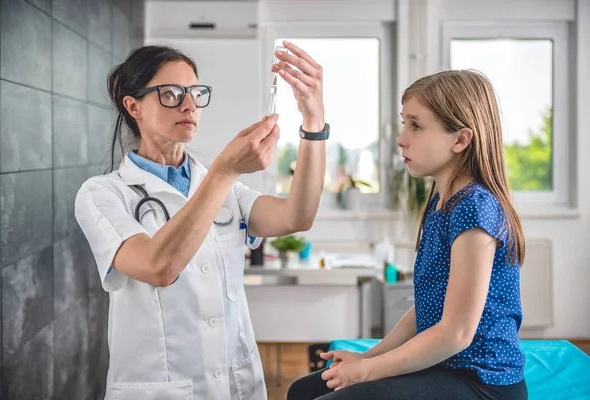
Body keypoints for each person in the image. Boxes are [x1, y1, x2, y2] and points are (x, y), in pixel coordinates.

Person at [74, 42, 327, 400]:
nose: (189, 105)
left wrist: (313, 123)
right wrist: (224, 171)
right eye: (172, 94)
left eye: (195, 93)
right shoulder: (102, 194)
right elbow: (158, 266)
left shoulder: (225, 188)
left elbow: (297, 216)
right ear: (133, 106)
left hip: (237, 385)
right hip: (161, 389)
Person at [287, 70, 528, 400]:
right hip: (444, 366)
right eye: (404, 123)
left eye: (416, 125)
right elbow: (428, 308)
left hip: (481, 382)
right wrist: (368, 358)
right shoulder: (441, 203)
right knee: (303, 391)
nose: (402, 138)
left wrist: (367, 372)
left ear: (460, 139)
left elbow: (456, 333)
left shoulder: (476, 207)